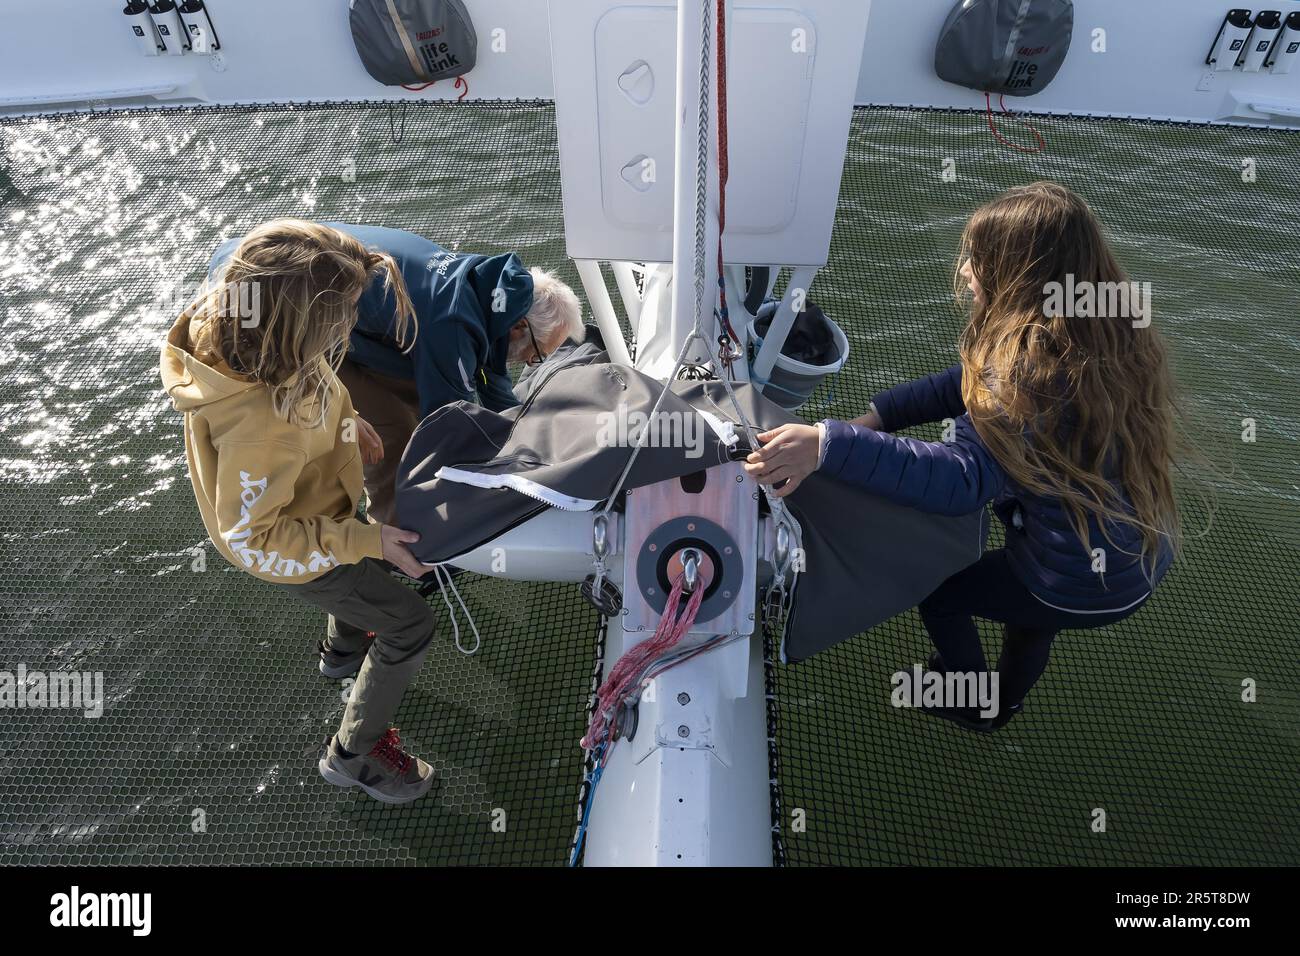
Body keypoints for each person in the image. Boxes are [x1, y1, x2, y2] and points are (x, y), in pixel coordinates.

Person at [743, 182, 1180, 731]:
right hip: (1135, 558)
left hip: (1071, 578)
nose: (968, 271)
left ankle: (974, 704)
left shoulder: (1022, 372)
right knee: (1031, 620)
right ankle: (1007, 703)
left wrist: (828, 445)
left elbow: (960, 481)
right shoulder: (1102, 333)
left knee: (945, 594)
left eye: (979, 258)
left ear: (1016, 273)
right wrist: (880, 417)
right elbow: (965, 386)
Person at [163, 219, 441, 803]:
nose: (350, 325)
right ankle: (355, 755)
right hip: (295, 550)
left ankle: (342, 654)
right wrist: (367, 540)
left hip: (318, 514)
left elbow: (313, 378)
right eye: (341, 316)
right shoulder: (265, 433)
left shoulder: (243, 332)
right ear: (301, 325)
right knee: (411, 623)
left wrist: (347, 423)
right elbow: (255, 539)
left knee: (358, 585)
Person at [212, 224, 585, 525]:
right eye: (536, 355)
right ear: (519, 327)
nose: (528, 363)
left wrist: (524, 428)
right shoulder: (454, 325)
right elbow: (446, 428)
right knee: (391, 434)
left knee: (414, 399)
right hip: (262, 300)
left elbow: (493, 380)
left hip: (285, 270)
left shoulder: (493, 287)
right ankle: (394, 539)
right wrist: (513, 471)